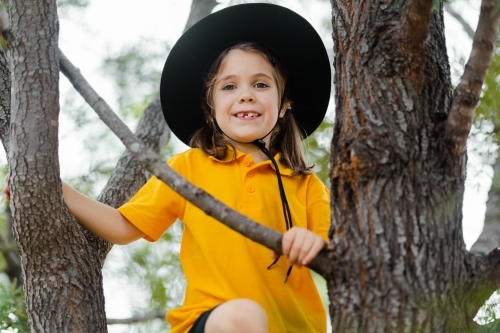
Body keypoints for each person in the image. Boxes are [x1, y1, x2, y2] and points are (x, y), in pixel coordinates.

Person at [5, 3, 332, 333]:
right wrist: (53, 188)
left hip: (296, 327)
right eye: (229, 87)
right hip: (215, 322)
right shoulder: (188, 168)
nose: (245, 95)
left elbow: (342, 248)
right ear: (210, 109)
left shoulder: (306, 185)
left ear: (284, 104)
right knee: (243, 316)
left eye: (261, 85)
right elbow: (122, 226)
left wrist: (313, 241)